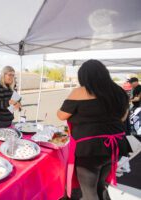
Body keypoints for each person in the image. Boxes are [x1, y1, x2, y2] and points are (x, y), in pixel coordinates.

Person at [57, 60, 131, 200]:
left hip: (91, 149)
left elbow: (61, 115)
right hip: (115, 145)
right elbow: (123, 117)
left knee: (89, 192)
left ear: (83, 76)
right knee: (101, 184)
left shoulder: (81, 91)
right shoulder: (119, 91)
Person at [0, 66, 21, 133]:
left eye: (13, 75)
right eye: (9, 74)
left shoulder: (9, 86)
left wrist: (17, 104)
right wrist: (9, 103)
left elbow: (14, 99)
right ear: (3, 74)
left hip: (7, 121)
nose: (11, 77)